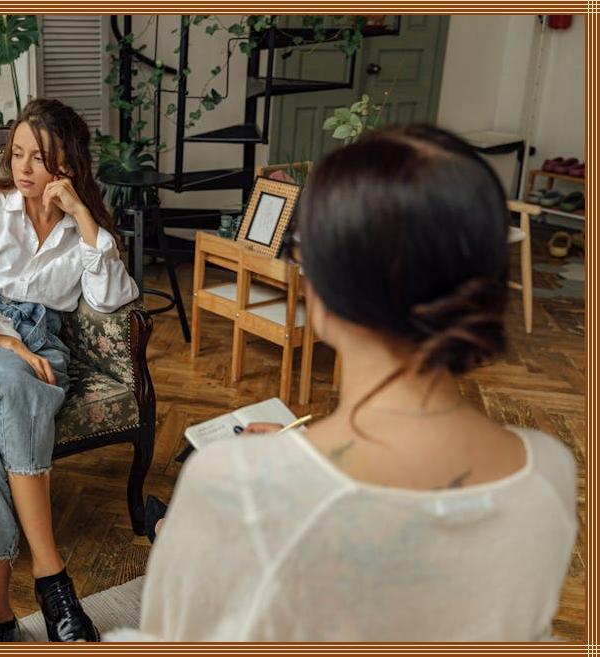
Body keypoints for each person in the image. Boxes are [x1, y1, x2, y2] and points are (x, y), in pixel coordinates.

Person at [114, 125, 577, 641]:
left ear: (321, 284)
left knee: (174, 536)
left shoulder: (232, 483)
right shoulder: (549, 470)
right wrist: (293, 459)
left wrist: (263, 476)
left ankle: (163, 529)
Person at [0, 98, 138, 642]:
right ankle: (51, 575)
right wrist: (7, 341)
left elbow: (113, 297)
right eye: (17, 154)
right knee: (12, 379)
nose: (23, 168)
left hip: (44, 349)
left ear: (67, 164)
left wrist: (83, 216)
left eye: (39, 157)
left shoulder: (78, 231)